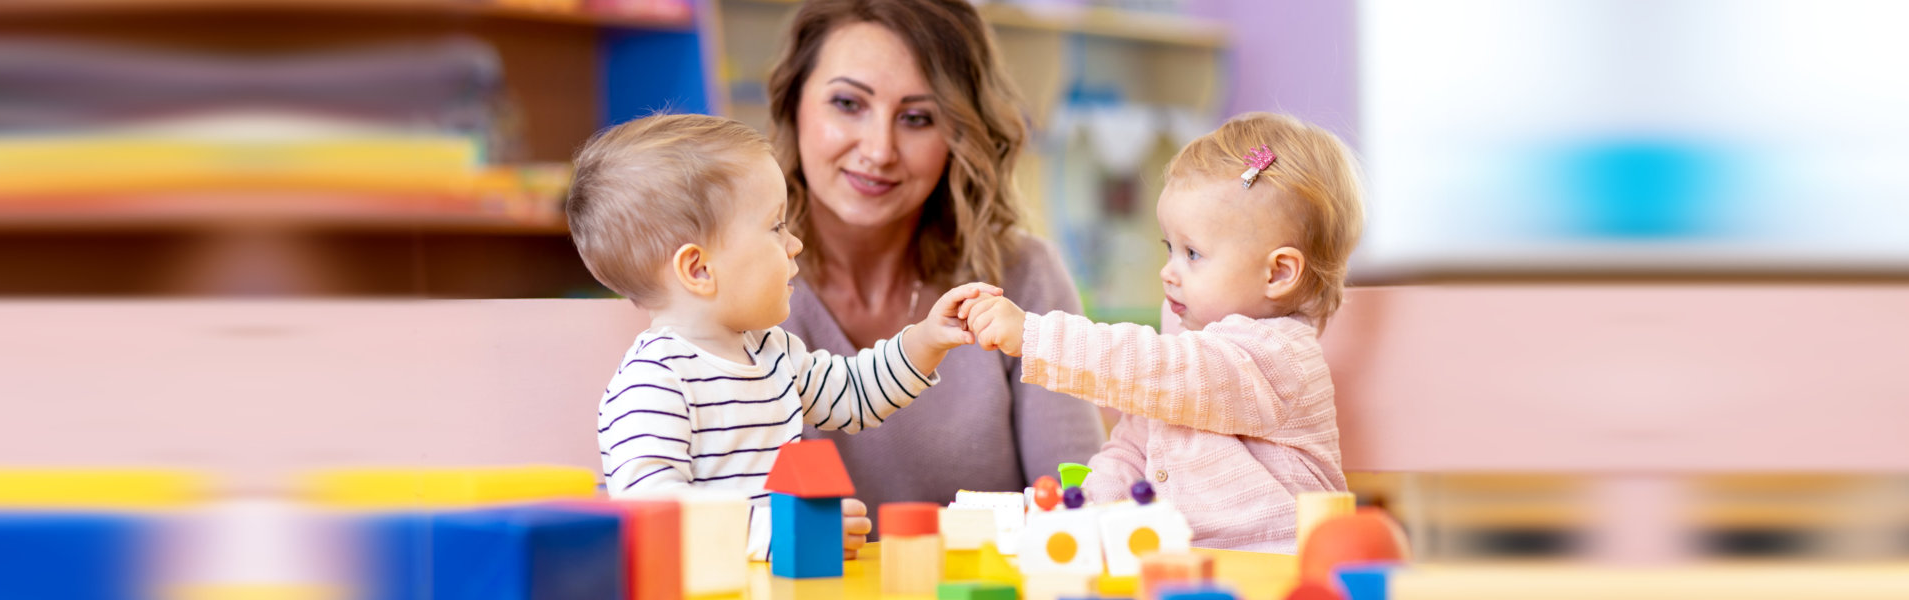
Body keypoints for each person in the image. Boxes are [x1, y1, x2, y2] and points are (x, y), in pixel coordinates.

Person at [567, 113, 998, 559]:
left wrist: (926, 340)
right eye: (776, 227)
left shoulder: (773, 354)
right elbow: (653, 515)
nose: (795, 245)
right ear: (698, 269)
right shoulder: (654, 382)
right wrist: (785, 531)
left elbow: (855, 392)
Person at [765, 0, 1106, 528]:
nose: (879, 150)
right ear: (793, 104)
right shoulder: (726, 288)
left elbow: (1082, 505)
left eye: (917, 118)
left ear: (958, 136)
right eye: (848, 103)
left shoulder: (1023, 276)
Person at [962, 112, 1365, 552]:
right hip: (1184, 564)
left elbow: (1164, 372)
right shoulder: (1186, 351)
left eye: (1193, 253)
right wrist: (1080, 512)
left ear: (1279, 273)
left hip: (1278, 567)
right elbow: (1131, 452)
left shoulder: (1278, 357)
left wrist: (1037, 337)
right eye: (1168, 247)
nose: (1168, 272)